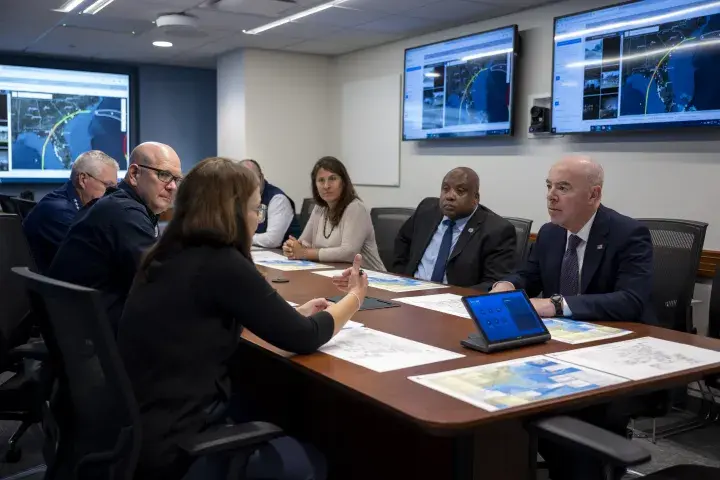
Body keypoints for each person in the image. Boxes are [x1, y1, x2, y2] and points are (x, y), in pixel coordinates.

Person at [117, 157, 368, 479]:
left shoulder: (169, 251)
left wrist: (292, 314)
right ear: (232, 212)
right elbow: (304, 337)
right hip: (181, 442)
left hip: (146, 423)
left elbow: (203, 315)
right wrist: (355, 298)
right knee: (316, 461)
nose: (257, 217)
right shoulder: (222, 262)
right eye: (255, 209)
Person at [491, 155, 655, 480]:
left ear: (594, 195)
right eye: (549, 186)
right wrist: (506, 284)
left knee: (564, 440)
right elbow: (528, 273)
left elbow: (630, 301)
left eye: (563, 187)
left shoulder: (628, 233)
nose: (551, 195)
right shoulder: (551, 233)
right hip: (557, 349)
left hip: (610, 359)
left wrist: (556, 304)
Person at [48, 142, 182, 330]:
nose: (173, 187)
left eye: (177, 179)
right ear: (135, 174)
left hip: (78, 326)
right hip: (89, 338)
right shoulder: (125, 212)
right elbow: (159, 282)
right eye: (164, 175)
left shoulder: (121, 205)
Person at [391, 167, 516, 290]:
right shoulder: (426, 210)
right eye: (445, 189)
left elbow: (494, 283)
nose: (449, 196)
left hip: (454, 302)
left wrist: (452, 297)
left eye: (460, 191)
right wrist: (403, 278)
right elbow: (403, 240)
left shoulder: (497, 230)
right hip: (410, 292)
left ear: (475, 198)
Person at [282, 156, 385, 271]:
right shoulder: (319, 208)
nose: (326, 186)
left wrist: (304, 253)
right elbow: (304, 243)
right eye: (321, 180)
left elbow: (348, 252)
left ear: (344, 182)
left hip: (371, 278)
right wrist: (292, 248)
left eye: (333, 179)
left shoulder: (356, 208)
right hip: (333, 274)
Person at [23, 151, 119, 272]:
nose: (113, 195)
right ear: (83, 179)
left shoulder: (72, 204)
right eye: (108, 187)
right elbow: (94, 260)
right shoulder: (58, 212)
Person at [240, 158, 301, 248]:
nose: (248, 185)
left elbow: (272, 240)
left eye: (252, 179)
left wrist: (241, 238)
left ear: (261, 177)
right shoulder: (239, 199)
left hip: (283, 256)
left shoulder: (277, 199)